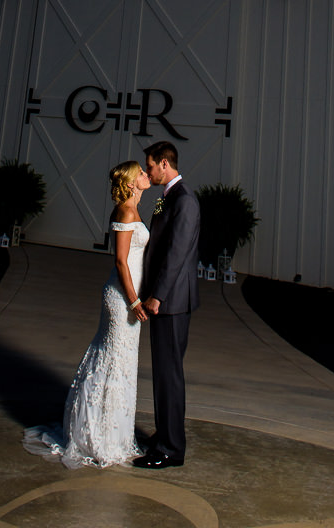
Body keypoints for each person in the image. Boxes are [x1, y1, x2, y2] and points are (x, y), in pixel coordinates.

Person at [23, 159, 150, 468]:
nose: (147, 175)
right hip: (121, 299)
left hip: (128, 297)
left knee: (121, 362)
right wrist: (134, 301)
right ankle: (96, 436)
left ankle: (114, 434)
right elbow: (121, 262)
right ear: (132, 182)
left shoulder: (136, 209)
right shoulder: (126, 211)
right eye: (142, 173)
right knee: (112, 360)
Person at [132, 140, 200, 469]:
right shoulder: (167, 198)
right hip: (164, 298)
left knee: (169, 375)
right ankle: (163, 437)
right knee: (163, 373)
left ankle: (171, 449)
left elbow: (176, 254)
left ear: (164, 163)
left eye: (150, 166)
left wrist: (156, 296)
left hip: (171, 301)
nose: (148, 171)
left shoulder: (185, 200)